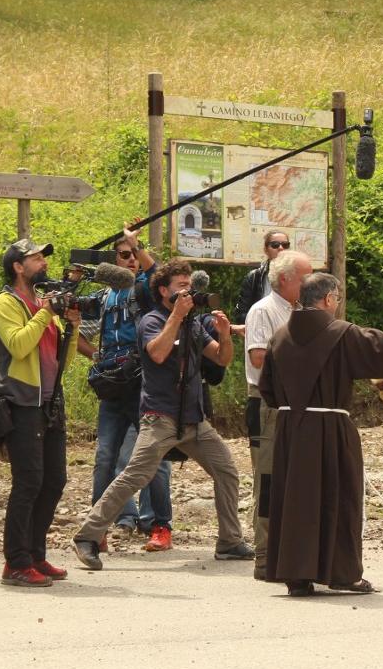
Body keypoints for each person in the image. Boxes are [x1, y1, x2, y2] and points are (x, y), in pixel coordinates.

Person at [259, 273, 383, 596]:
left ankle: (297, 576)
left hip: (290, 432)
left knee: (296, 501)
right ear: (327, 300)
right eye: (336, 299)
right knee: (340, 499)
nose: (337, 305)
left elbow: (266, 388)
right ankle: (342, 574)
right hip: (330, 429)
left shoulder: (279, 337)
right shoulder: (341, 334)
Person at [71, 259, 251, 570]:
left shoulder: (193, 324)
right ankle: (87, 536)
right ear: (164, 291)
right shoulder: (151, 321)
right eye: (181, 287)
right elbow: (157, 352)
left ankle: (230, 541)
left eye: (189, 286)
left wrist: (223, 334)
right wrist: (177, 317)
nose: (187, 292)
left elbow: (221, 359)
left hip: (194, 420)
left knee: (226, 470)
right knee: (133, 476)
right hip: (160, 417)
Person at [76, 224, 174, 551]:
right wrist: (97, 356)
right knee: (104, 456)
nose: (131, 260)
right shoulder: (101, 297)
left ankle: (160, 526)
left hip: (144, 386)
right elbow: (78, 334)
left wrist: (139, 244)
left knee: (154, 457)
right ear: (113, 260)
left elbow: (156, 273)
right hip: (112, 388)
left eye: (134, 255)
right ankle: (98, 529)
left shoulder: (144, 289)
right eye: (124, 254)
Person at [0, 238, 80, 587]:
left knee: (54, 480)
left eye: (43, 257)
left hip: (49, 402)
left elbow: (62, 361)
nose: (43, 263)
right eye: (36, 258)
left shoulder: (44, 305)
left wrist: (70, 328)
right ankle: (15, 563)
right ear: (17, 266)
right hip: (21, 402)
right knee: (28, 482)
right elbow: (17, 344)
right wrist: (46, 312)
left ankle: (35, 555)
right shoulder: (6, 302)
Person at [244, 249, 313, 580]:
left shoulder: (300, 310)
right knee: (268, 480)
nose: (310, 283)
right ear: (286, 279)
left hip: (296, 401)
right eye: (305, 277)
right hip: (267, 402)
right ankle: (264, 555)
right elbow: (258, 357)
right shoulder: (263, 310)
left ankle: (291, 553)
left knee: (294, 478)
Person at [232, 230, 290, 337]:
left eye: (285, 245)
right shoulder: (254, 277)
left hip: (289, 338)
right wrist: (261, 324)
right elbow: (241, 313)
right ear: (266, 249)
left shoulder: (297, 277)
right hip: (262, 336)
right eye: (275, 245)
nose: (281, 248)